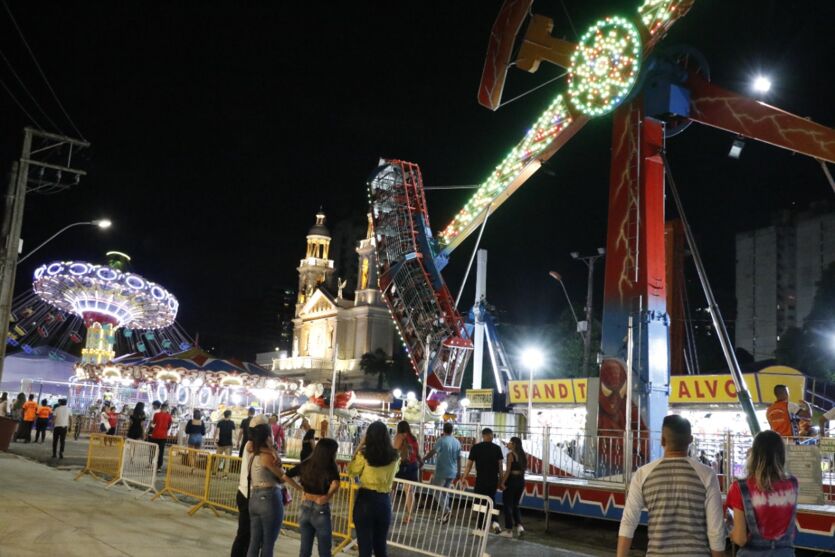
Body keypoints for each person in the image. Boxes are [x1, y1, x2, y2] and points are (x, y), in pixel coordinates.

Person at [617, 415, 725, 557]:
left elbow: (628, 522)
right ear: (690, 440)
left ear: (662, 440)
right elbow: (716, 531)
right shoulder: (708, 475)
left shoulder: (643, 475)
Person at [727, 430, 799, 556]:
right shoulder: (793, 483)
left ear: (754, 454)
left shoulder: (739, 487)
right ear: (782, 454)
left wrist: (731, 533)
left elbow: (740, 538)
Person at [348, 421, 400, 557]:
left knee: (364, 547)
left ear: (368, 436)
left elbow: (351, 471)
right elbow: (396, 471)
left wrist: (360, 444)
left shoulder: (363, 455)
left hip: (365, 500)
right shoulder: (395, 456)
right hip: (384, 501)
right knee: (380, 547)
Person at [286, 438, 340, 557]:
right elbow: (335, 483)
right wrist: (327, 496)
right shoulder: (330, 467)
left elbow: (286, 476)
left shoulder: (306, 463)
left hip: (305, 506)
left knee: (305, 549)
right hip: (320, 508)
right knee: (324, 550)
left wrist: (300, 489)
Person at [247, 416, 288, 557]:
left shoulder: (253, 453)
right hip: (269, 498)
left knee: (254, 542)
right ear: (268, 436)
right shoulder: (268, 456)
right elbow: (282, 477)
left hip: (254, 498)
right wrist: (272, 450)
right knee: (268, 544)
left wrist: (272, 450)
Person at [460, 427, 504, 534]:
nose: (492, 437)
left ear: (483, 436)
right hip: (493, 479)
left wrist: (464, 477)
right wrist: (501, 481)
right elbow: (500, 467)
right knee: (492, 501)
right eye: (492, 435)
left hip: (480, 479)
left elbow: (469, 465)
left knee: (480, 503)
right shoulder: (497, 448)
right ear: (489, 436)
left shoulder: (476, 448)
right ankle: (495, 522)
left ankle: (481, 528)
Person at [231, 414, 261, 557]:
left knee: (249, 535)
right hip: (248, 494)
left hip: (248, 494)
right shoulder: (252, 446)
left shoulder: (253, 445)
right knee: (245, 534)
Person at [423, 421, 460, 521]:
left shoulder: (441, 440)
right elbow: (459, 458)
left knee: (435, 490)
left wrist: (424, 458)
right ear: (452, 431)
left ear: (443, 430)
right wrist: (459, 472)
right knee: (445, 492)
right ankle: (444, 516)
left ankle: (446, 510)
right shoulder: (457, 442)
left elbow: (433, 451)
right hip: (453, 471)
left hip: (442, 471)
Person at [392, 420, 422, 524]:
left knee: (392, 488)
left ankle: (388, 510)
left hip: (401, 465)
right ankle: (409, 516)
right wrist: (420, 461)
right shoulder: (413, 438)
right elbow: (417, 453)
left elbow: (394, 451)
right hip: (413, 465)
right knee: (410, 492)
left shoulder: (399, 436)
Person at [499, 436, 526, 538]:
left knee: (507, 505)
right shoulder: (523, 455)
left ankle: (509, 530)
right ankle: (520, 527)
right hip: (521, 481)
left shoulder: (510, 455)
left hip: (512, 481)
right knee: (515, 505)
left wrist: (502, 483)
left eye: (510, 442)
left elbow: (508, 470)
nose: (508, 444)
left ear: (514, 444)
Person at [149, 403, 172, 472]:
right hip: (163, 436)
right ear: (166, 409)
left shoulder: (156, 415)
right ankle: (159, 467)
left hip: (155, 435)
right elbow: (169, 426)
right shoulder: (169, 416)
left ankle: (151, 464)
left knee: (153, 450)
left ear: (161, 408)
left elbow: (153, 423)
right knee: (161, 452)